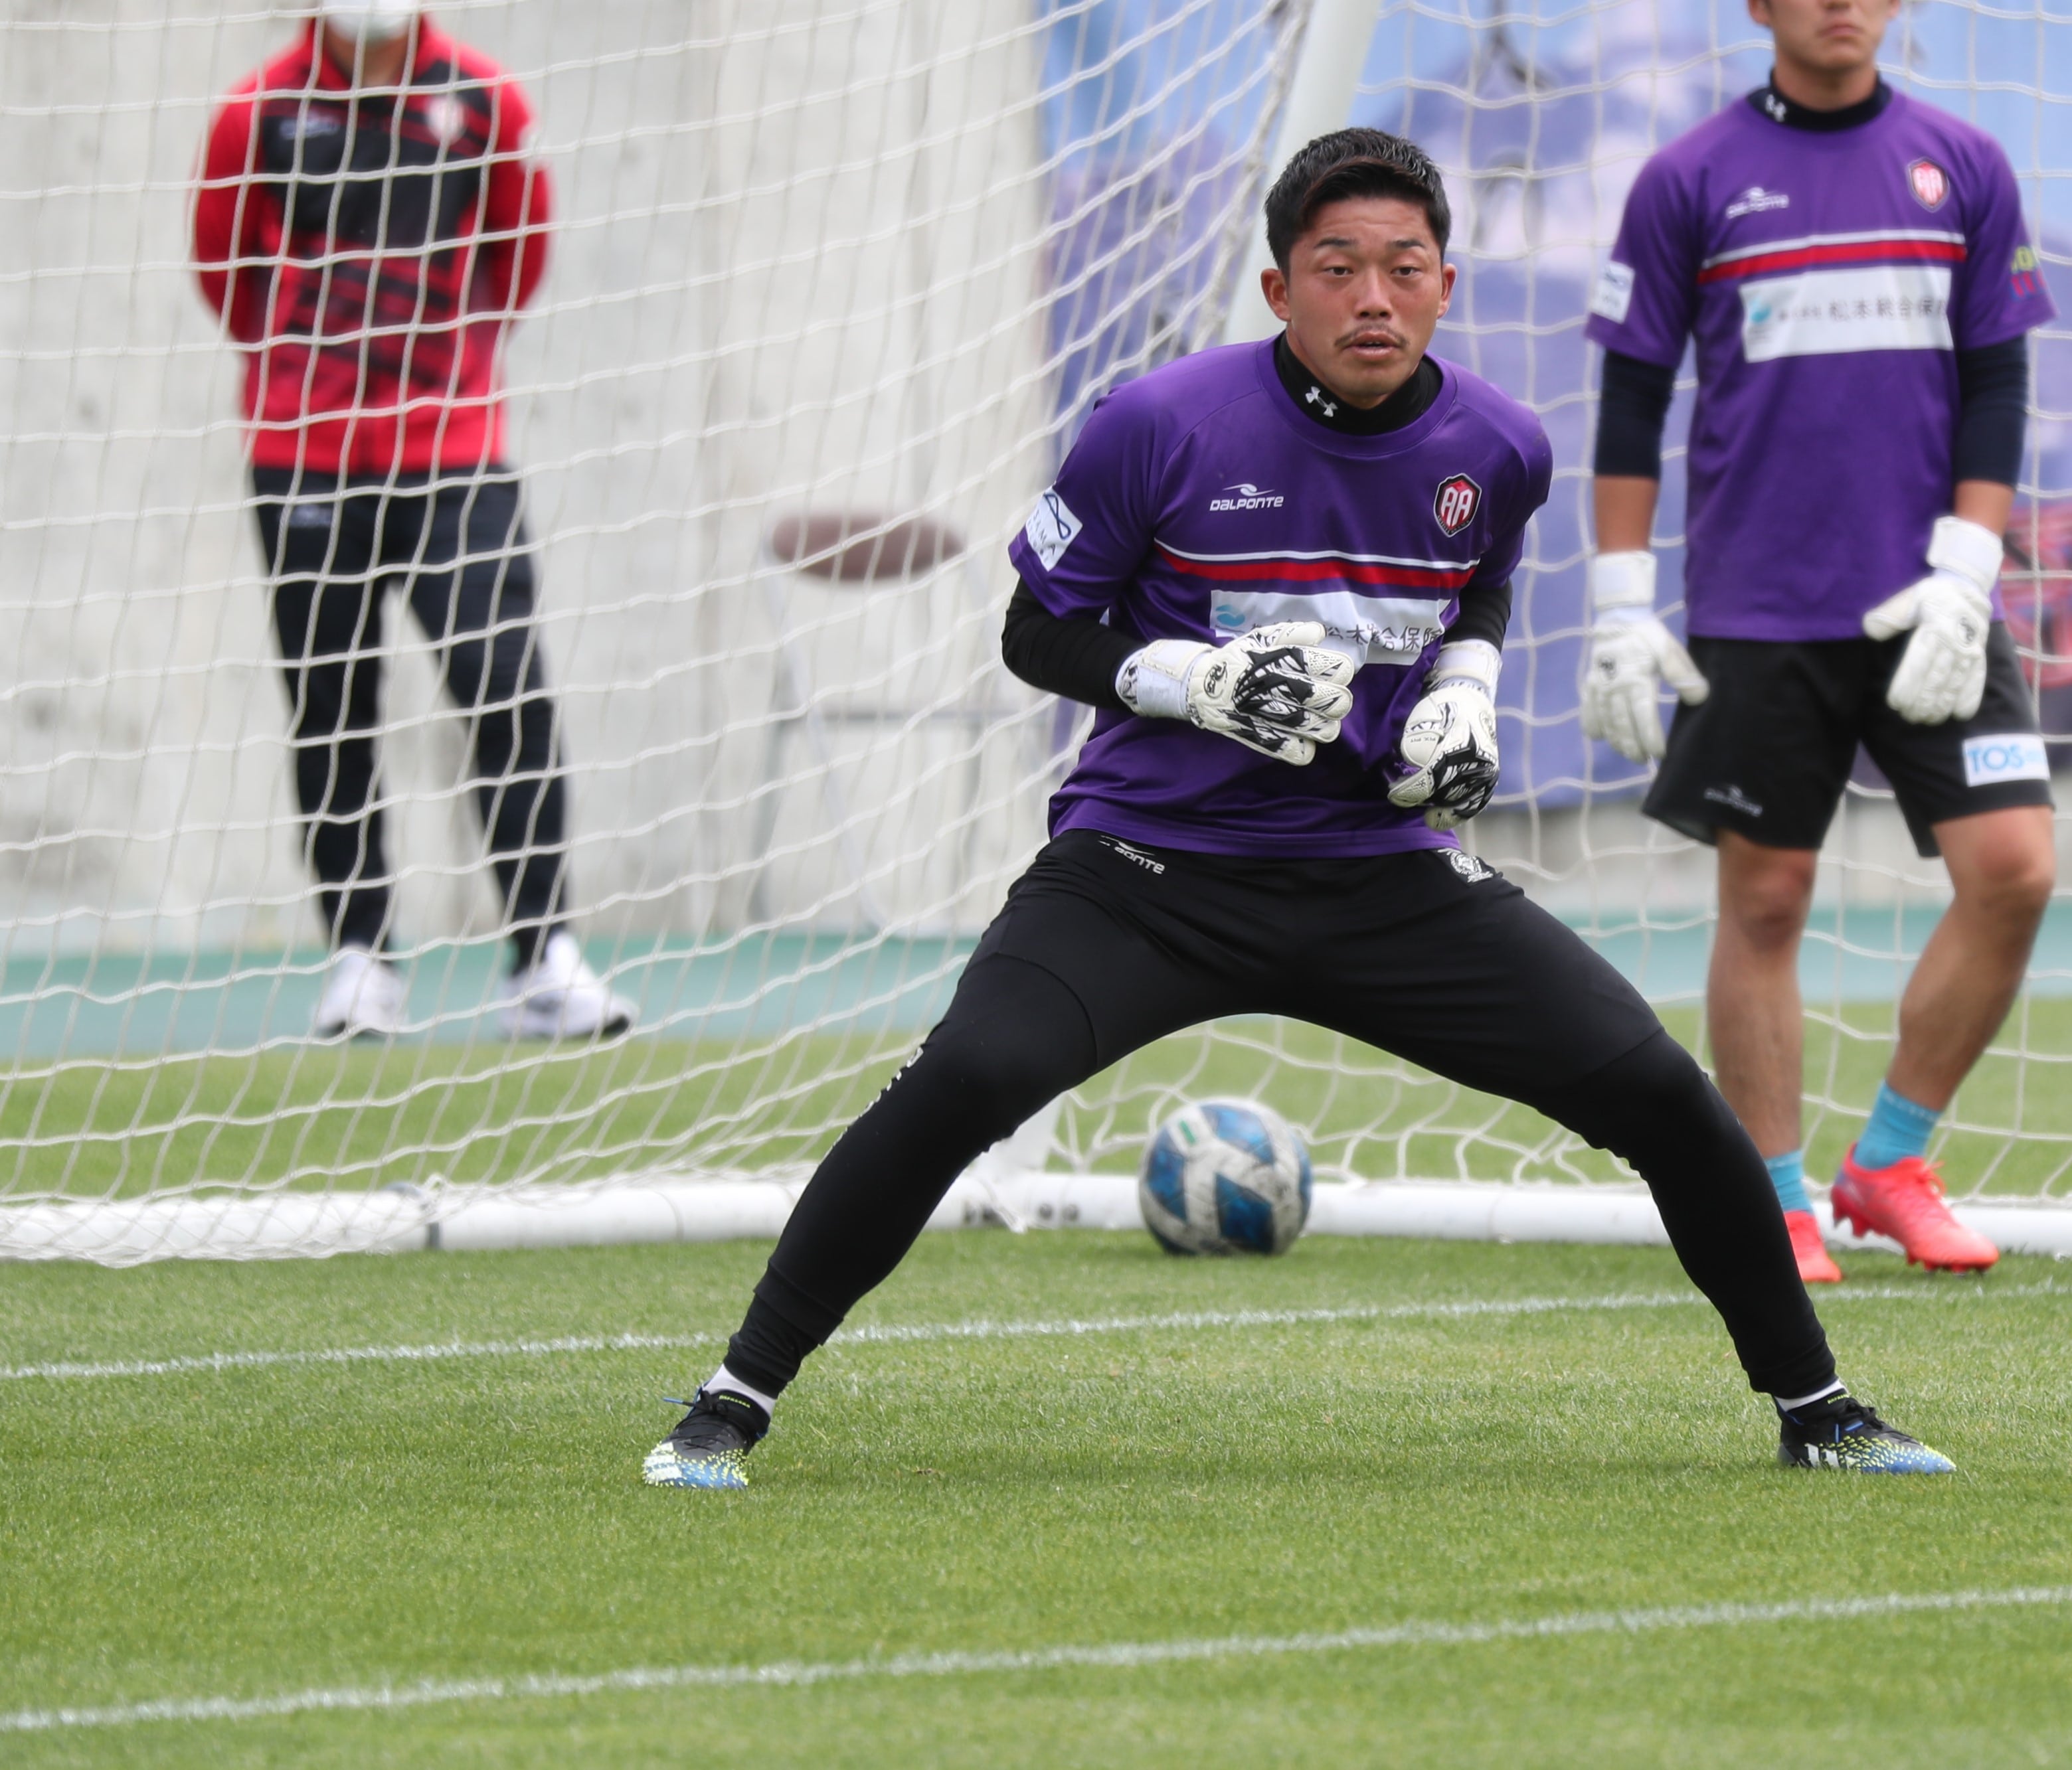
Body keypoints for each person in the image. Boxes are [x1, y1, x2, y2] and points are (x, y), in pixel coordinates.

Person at [643, 128, 1952, 1490]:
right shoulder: (1158, 423)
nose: (1372, 298)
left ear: (1445, 284)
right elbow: (1035, 632)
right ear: (1279, 290)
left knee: (1665, 1097)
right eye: (1336, 268)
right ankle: (728, 1403)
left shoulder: (1501, 445)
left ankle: (1820, 1410)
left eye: (1403, 267)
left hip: (1381, 871)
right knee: (961, 1079)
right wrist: (1186, 680)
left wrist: (1466, 687)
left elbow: (1479, 582)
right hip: (1147, 871)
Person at [1581, 0, 2058, 1282]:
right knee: (1768, 898)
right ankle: (1776, 1201)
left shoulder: (1964, 167)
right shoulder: (1688, 179)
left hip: (1935, 607)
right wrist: (1621, 598)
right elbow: (1631, 396)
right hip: (1760, 608)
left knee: (2015, 868)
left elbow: (1998, 378)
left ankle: (1890, 1164)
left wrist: (1969, 567)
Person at [193, 1, 633, 1040]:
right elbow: (225, 274)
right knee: (330, 705)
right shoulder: (257, 111)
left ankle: (544, 955)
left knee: (503, 684)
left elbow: (518, 256)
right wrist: (308, 377)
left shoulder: (486, 101)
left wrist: (444, 374)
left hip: (456, 456)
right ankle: (361, 958)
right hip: (303, 458)